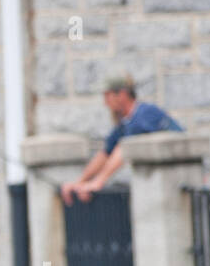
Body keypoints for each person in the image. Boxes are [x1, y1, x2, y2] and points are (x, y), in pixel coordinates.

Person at [61, 75, 182, 205]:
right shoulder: (125, 122)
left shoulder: (144, 114)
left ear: (122, 94)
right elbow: (106, 152)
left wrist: (98, 182)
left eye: (108, 96)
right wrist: (80, 182)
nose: (105, 102)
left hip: (179, 181)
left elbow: (123, 149)